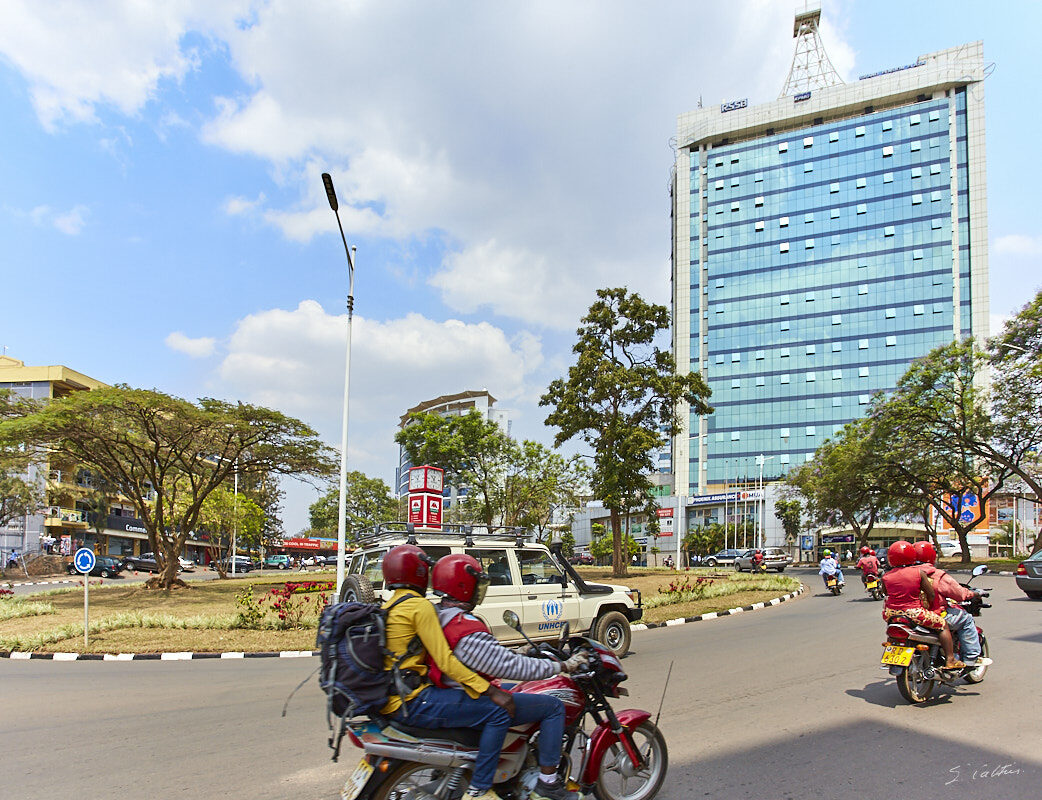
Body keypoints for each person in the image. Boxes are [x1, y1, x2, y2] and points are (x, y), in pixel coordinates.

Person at [429, 554, 584, 800]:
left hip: (451, 689)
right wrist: (562, 666)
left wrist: (518, 651)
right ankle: (548, 784)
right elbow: (510, 667)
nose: (479, 590)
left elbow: (487, 657)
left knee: (516, 690)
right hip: (468, 696)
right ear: (463, 586)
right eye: (476, 584)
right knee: (553, 707)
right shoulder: (464, 626)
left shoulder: (439, 615)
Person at [379, 544, 518, 800]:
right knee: (498, 712)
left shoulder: (389, 606)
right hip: (411, 699)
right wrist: (490, 690)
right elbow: (445, 661)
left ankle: (449, 770)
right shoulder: (419, 607)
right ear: (419, 573)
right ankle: (480, 790)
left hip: (389, 697)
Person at [881, 541, 963, 670]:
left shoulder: (886, 576)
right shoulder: (918, 573)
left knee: (893, 628)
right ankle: (950, 659)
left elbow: (885, 592)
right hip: (913, 612)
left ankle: (891, 652)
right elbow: (931, 594)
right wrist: (928, 607)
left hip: (890, 614)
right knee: (943, 625)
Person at [912, 541, 992, 668]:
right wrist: (974, 593)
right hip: (934, 615)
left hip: (912, 616)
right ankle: (971, 658)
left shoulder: (906, 574)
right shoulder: (937, 575)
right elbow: (959, 594)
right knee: (966, 619)